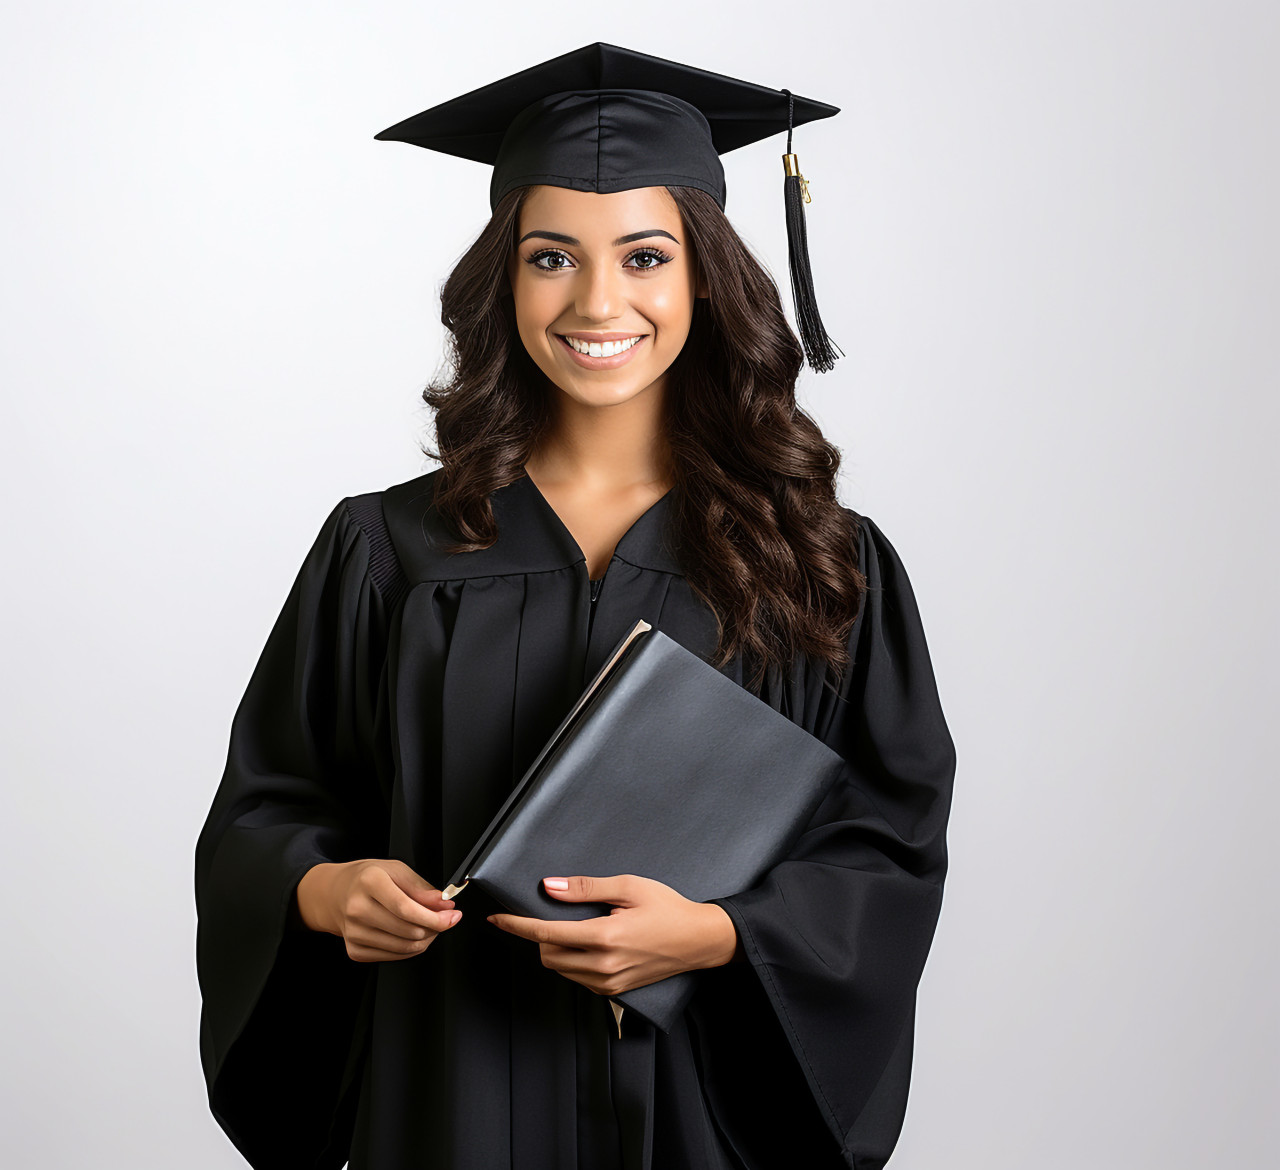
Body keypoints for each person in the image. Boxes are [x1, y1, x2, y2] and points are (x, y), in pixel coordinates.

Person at [194, 43, 956, 1170]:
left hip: (699, 1115)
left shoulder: (821, 559)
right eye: (552, 256)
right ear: (503, 278)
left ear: (704, 275)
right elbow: (268, 806)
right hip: (446, 1098)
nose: (599, 301)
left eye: (644, 256)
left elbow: (889, 848)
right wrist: (321, 891)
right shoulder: (387, 551)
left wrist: (718, 934)